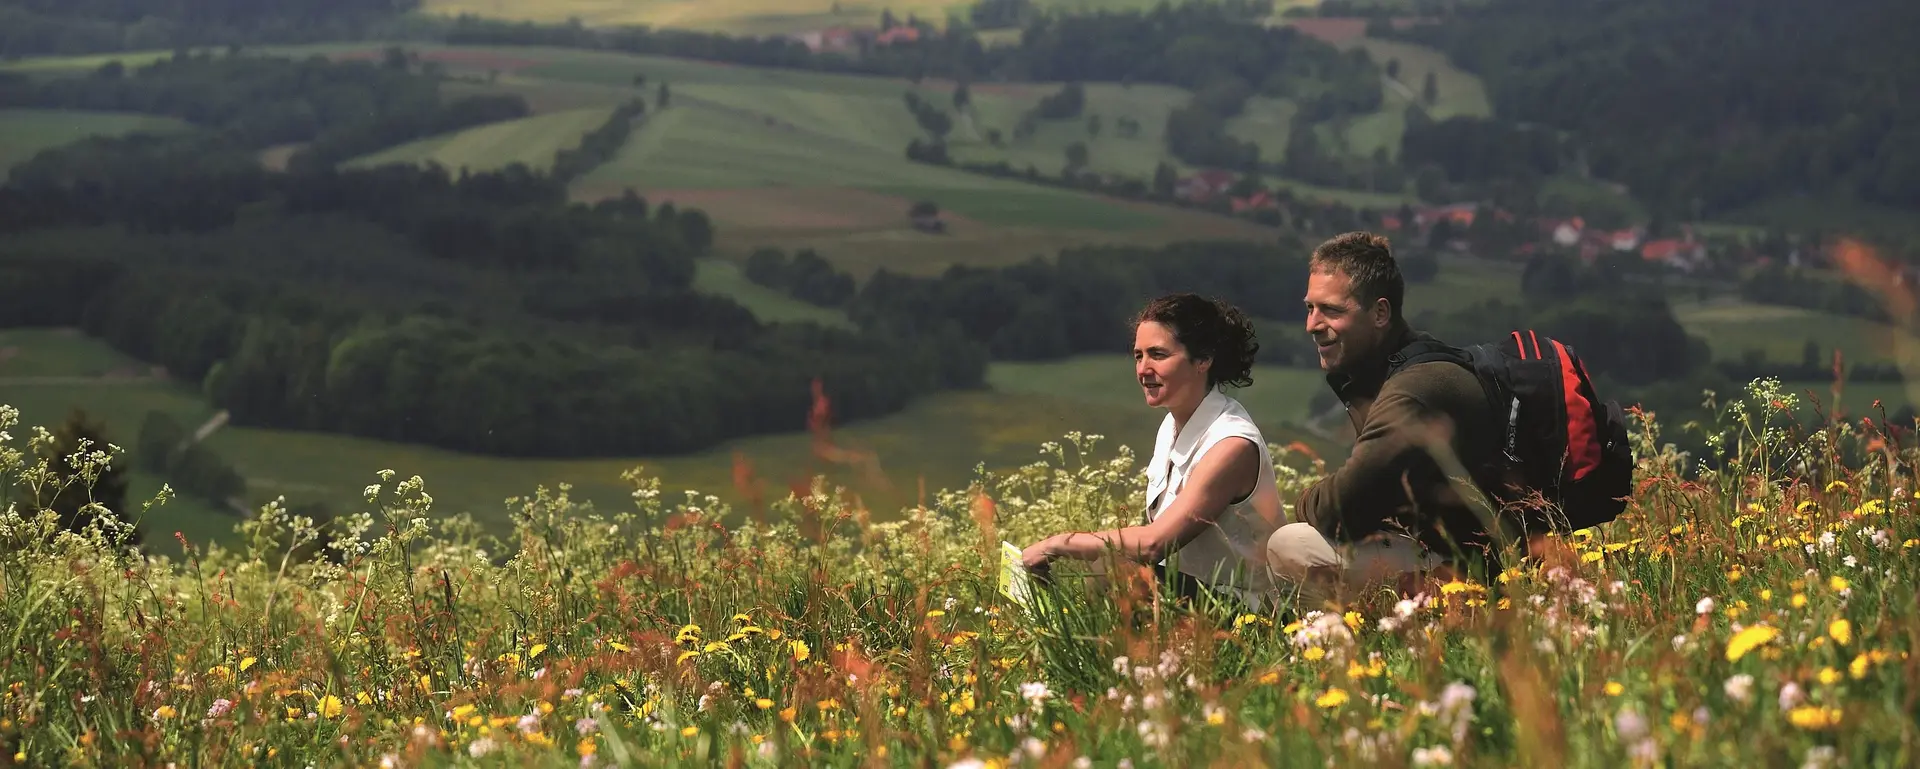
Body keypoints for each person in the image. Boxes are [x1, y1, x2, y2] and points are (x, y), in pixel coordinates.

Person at [1264, 231, 1502, 605]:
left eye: (1331, 310)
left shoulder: (1413, 389)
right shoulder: (1398, 366)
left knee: (1291, 545)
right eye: (1310, 308)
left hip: (1480, 573)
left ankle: (1343, 653)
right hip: (1458, 553)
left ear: (1380, 313)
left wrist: (1306, 499)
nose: (1312, 323)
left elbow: (1342, 507)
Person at [1020, 293, 1288, 610]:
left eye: (1158, 355)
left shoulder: (1232, 444)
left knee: (1114, 567)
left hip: (1248, 610)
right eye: (1138, 356)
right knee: (1106, 565)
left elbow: (1154, 544)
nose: (1143, 369)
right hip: (1193, 593)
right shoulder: (1170, 426)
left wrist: (1059, 544)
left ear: (1203, 360)